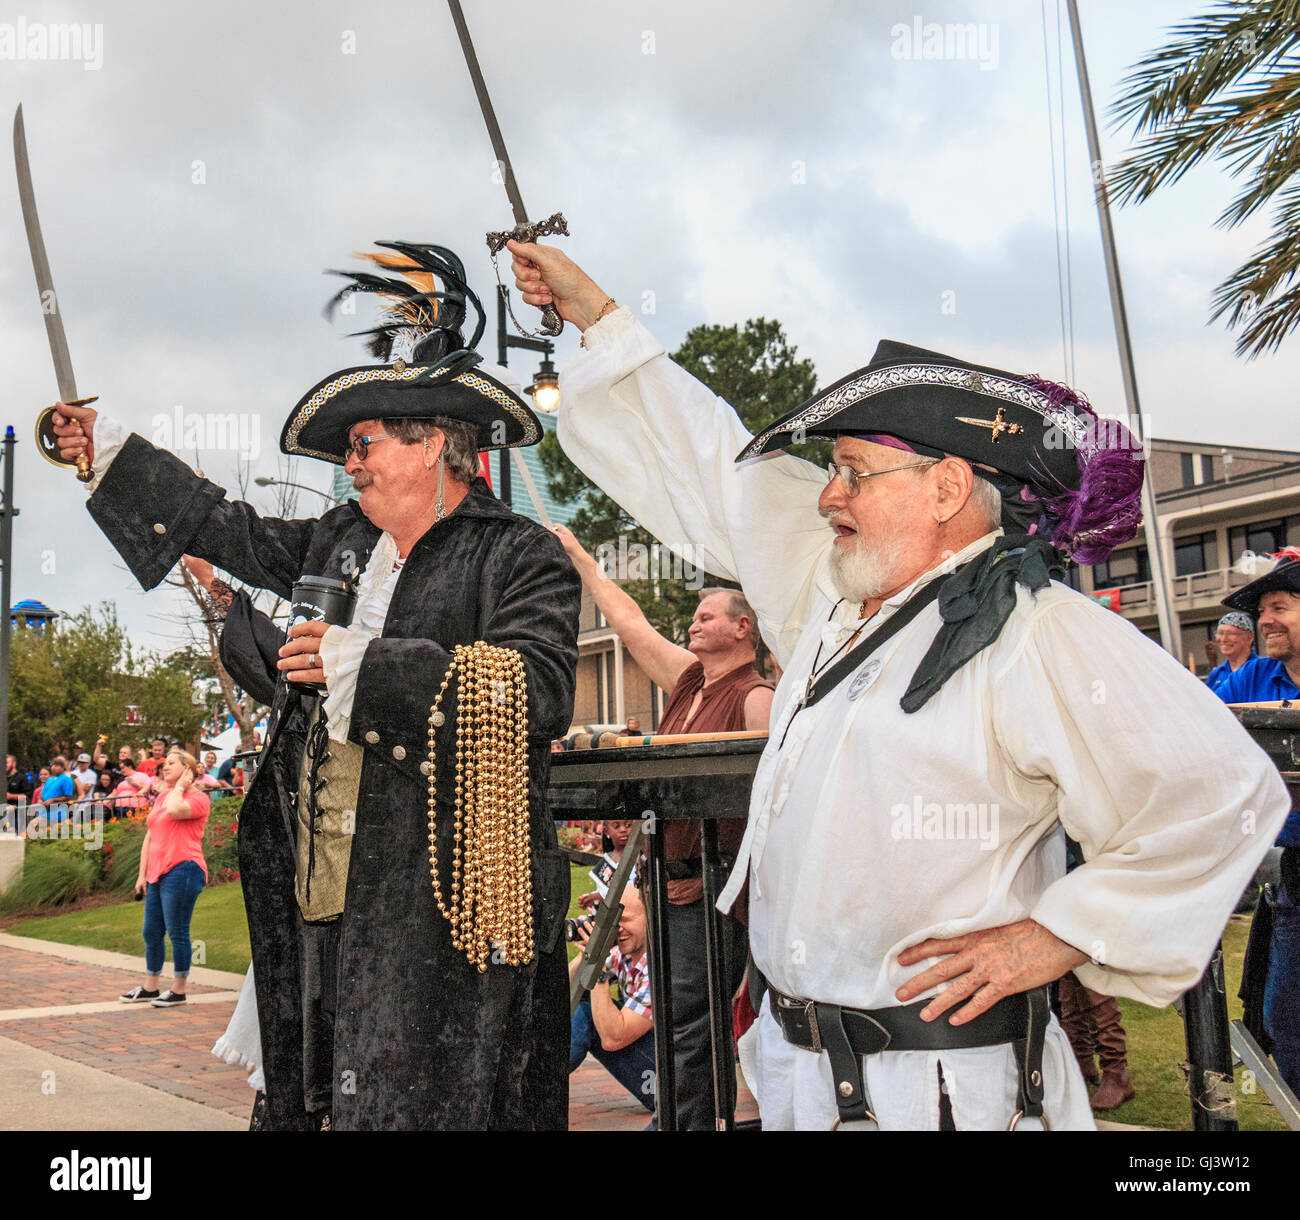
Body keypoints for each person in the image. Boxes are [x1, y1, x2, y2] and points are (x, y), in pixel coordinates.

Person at [512, 240, 1291, 1130]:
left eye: (850, 471)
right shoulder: (834, 602)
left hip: (946, 1096)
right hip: (813, 1083)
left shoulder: (1034, 628)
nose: (825, 495)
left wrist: (1059, 935)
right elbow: (720, 472)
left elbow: (1223, 795)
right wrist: (600, 319)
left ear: (948, 486)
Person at [55, 240, 580, 1131]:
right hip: (317, 892)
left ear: (436, 447)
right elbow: (232, 528)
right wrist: (107, 452)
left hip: (438, 909)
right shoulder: (341, 538)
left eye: (365, 443)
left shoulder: (519, 553)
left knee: (426, 1101)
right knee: (308, 1093)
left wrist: (360, 667)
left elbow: (535, 691)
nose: (351, 461)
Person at [554, 521, 772, 1127]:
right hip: (665, 881)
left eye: (707, 616)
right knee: (680, 1014)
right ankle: (679, 1119)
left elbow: (770, 799)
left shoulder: (755, 697)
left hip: (716, 885)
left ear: (742, 627)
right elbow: (631, 624)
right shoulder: (689, 683)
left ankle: (688, 1122)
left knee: (697, 1017)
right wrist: (580, 558)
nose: (693, 623)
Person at [1215, 553, 1300, 1097]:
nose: (1263, 620)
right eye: (1261, 609)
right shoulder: (1258, 676)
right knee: (1283, 1023)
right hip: (1291, 876)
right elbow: (1191, 725)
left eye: (1278, 607)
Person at [119, 749, 210, 1007]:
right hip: (156, 873)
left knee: (177, 931)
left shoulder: (199, 798)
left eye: (171, 763)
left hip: (184, 868)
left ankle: (179, 990)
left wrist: (180, 788)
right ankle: (150, 986)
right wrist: (142, 875)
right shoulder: (162, 798)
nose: (165, 767)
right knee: (151, 931)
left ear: (188, 769)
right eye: (164, 763)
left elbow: (174, 811)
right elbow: (150, 836)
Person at [569, 885, 656, 1113]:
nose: (617, 928)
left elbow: (612, 1038)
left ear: (651, 916)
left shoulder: (661, 965)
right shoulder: (624, 953)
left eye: (624, 919)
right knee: (584, 998)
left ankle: (537, 1080)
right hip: (651, 1066)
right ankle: (537, 1077)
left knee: (589, 1012)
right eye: (611, 921)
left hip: (671, 1086)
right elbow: (562, 991)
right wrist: (585, 956)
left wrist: (596, 966)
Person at [1205, 611, 1263, 693]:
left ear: (1249, 637)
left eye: (1231, 633)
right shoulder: (1216, 674)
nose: (1224, 639)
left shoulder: (1262, 669)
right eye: (1220, 633)